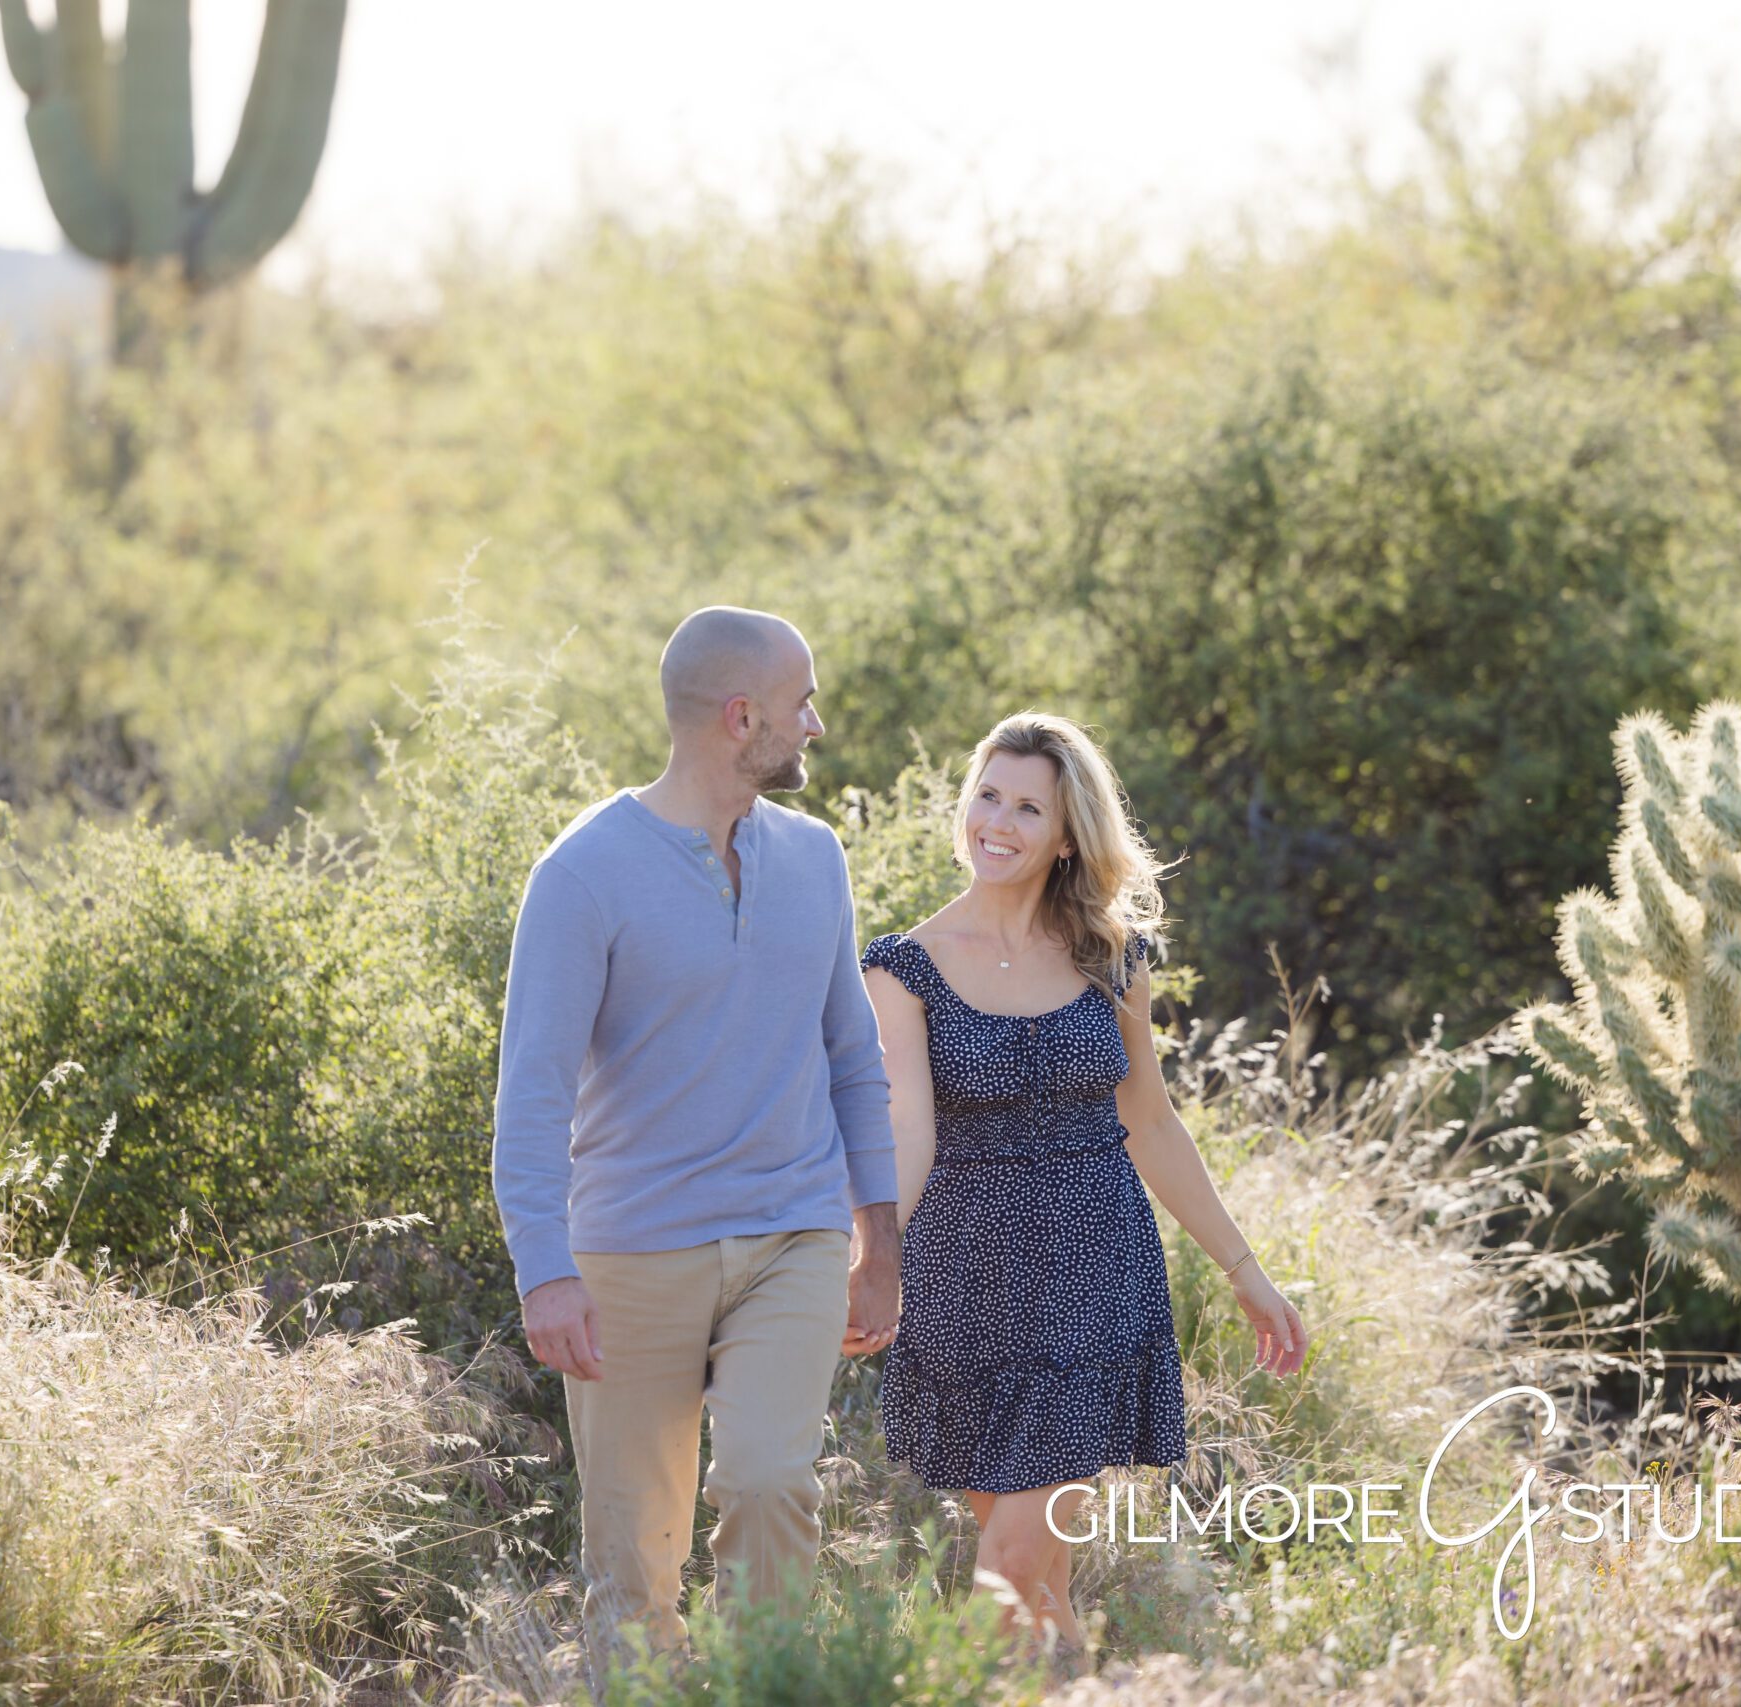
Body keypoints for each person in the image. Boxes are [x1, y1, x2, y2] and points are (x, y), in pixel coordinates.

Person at [491, 606, 903, 1671]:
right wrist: (546, 1271)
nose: (813, 725)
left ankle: (765, 1689)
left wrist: (880, 1244)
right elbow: (531, 1092)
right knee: (633, 1560)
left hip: (793, 1235)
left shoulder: (813, 860)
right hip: (631, 1251)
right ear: (741, 717)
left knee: (771, 1483)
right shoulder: (581, 875)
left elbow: (853, 1058)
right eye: (800, 704)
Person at [859, 710, 1307, 1663]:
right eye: (987, 794)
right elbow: (908, 1132)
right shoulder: (902, 966)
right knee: (1038, 1587)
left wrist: (1243, 1266)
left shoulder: (1112, 957)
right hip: (965, 1290)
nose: (998, 821)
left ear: (1068, 833)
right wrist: (874, 1262)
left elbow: (1150, 1122)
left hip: (1093, 1276)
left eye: (1029, 806)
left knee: (1010, 1563)